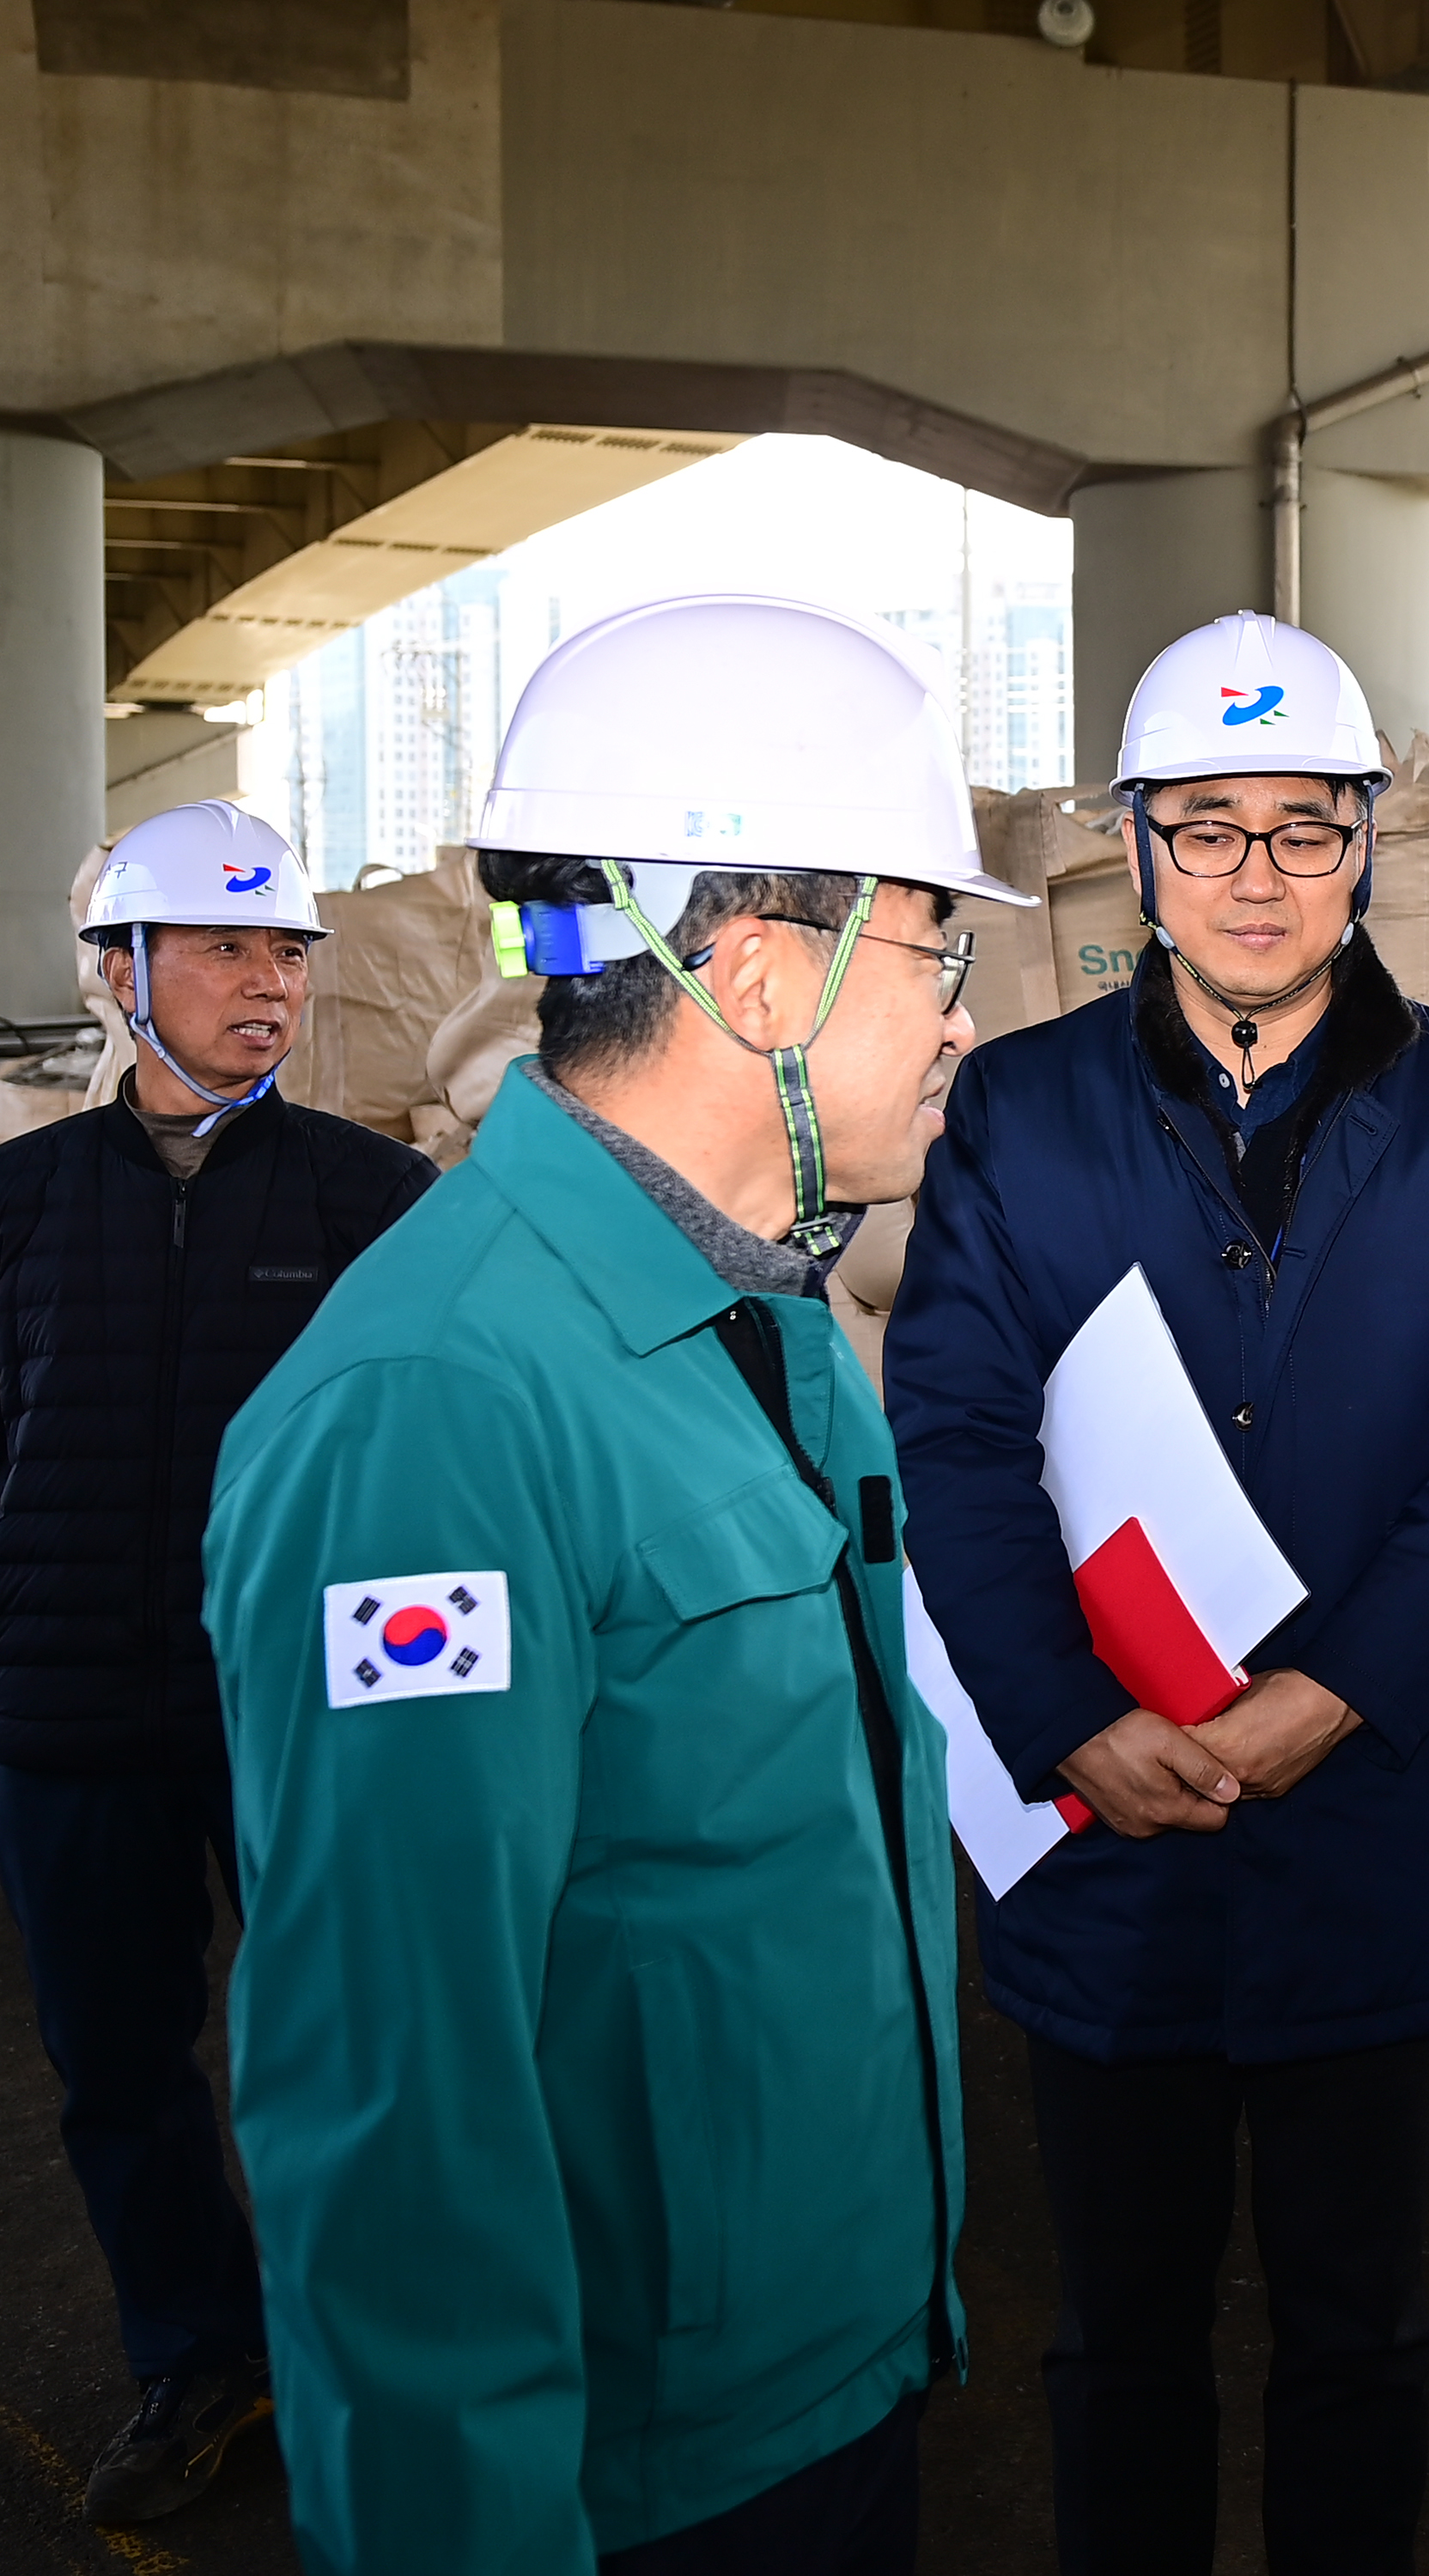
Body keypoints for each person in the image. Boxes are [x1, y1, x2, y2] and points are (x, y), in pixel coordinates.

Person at [199, 595, 1023, 2575]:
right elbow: (397, 2117)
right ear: (754, 976)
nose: (963, 1016)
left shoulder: (776, 1320)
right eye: (939, 951)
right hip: (642, 2477)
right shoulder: (435, 1413)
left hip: (835, 2377)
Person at [885, 612, 1429, 2575]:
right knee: (1121, 2342)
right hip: (1110, 1828)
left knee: (1361, 2333)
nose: (1256, 877)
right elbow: (948, 1427)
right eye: (1208, 830)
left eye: (1302, 829)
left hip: (1369, 1813)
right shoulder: (1020, 1108)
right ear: (1135, 849)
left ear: (1367, 843)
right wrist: (1066, 1717)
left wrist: (1338, 1687)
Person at [0, 802, 432, 2524]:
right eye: (226, 949)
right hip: (69, 1713)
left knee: (351, 2047)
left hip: (306, 1711)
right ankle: (201, 2354)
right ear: (122, 974)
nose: (271, 987)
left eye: (287, 954)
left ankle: (377, 2355)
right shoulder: (20, 1203)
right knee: (116, 2065)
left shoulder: (376, 1199)